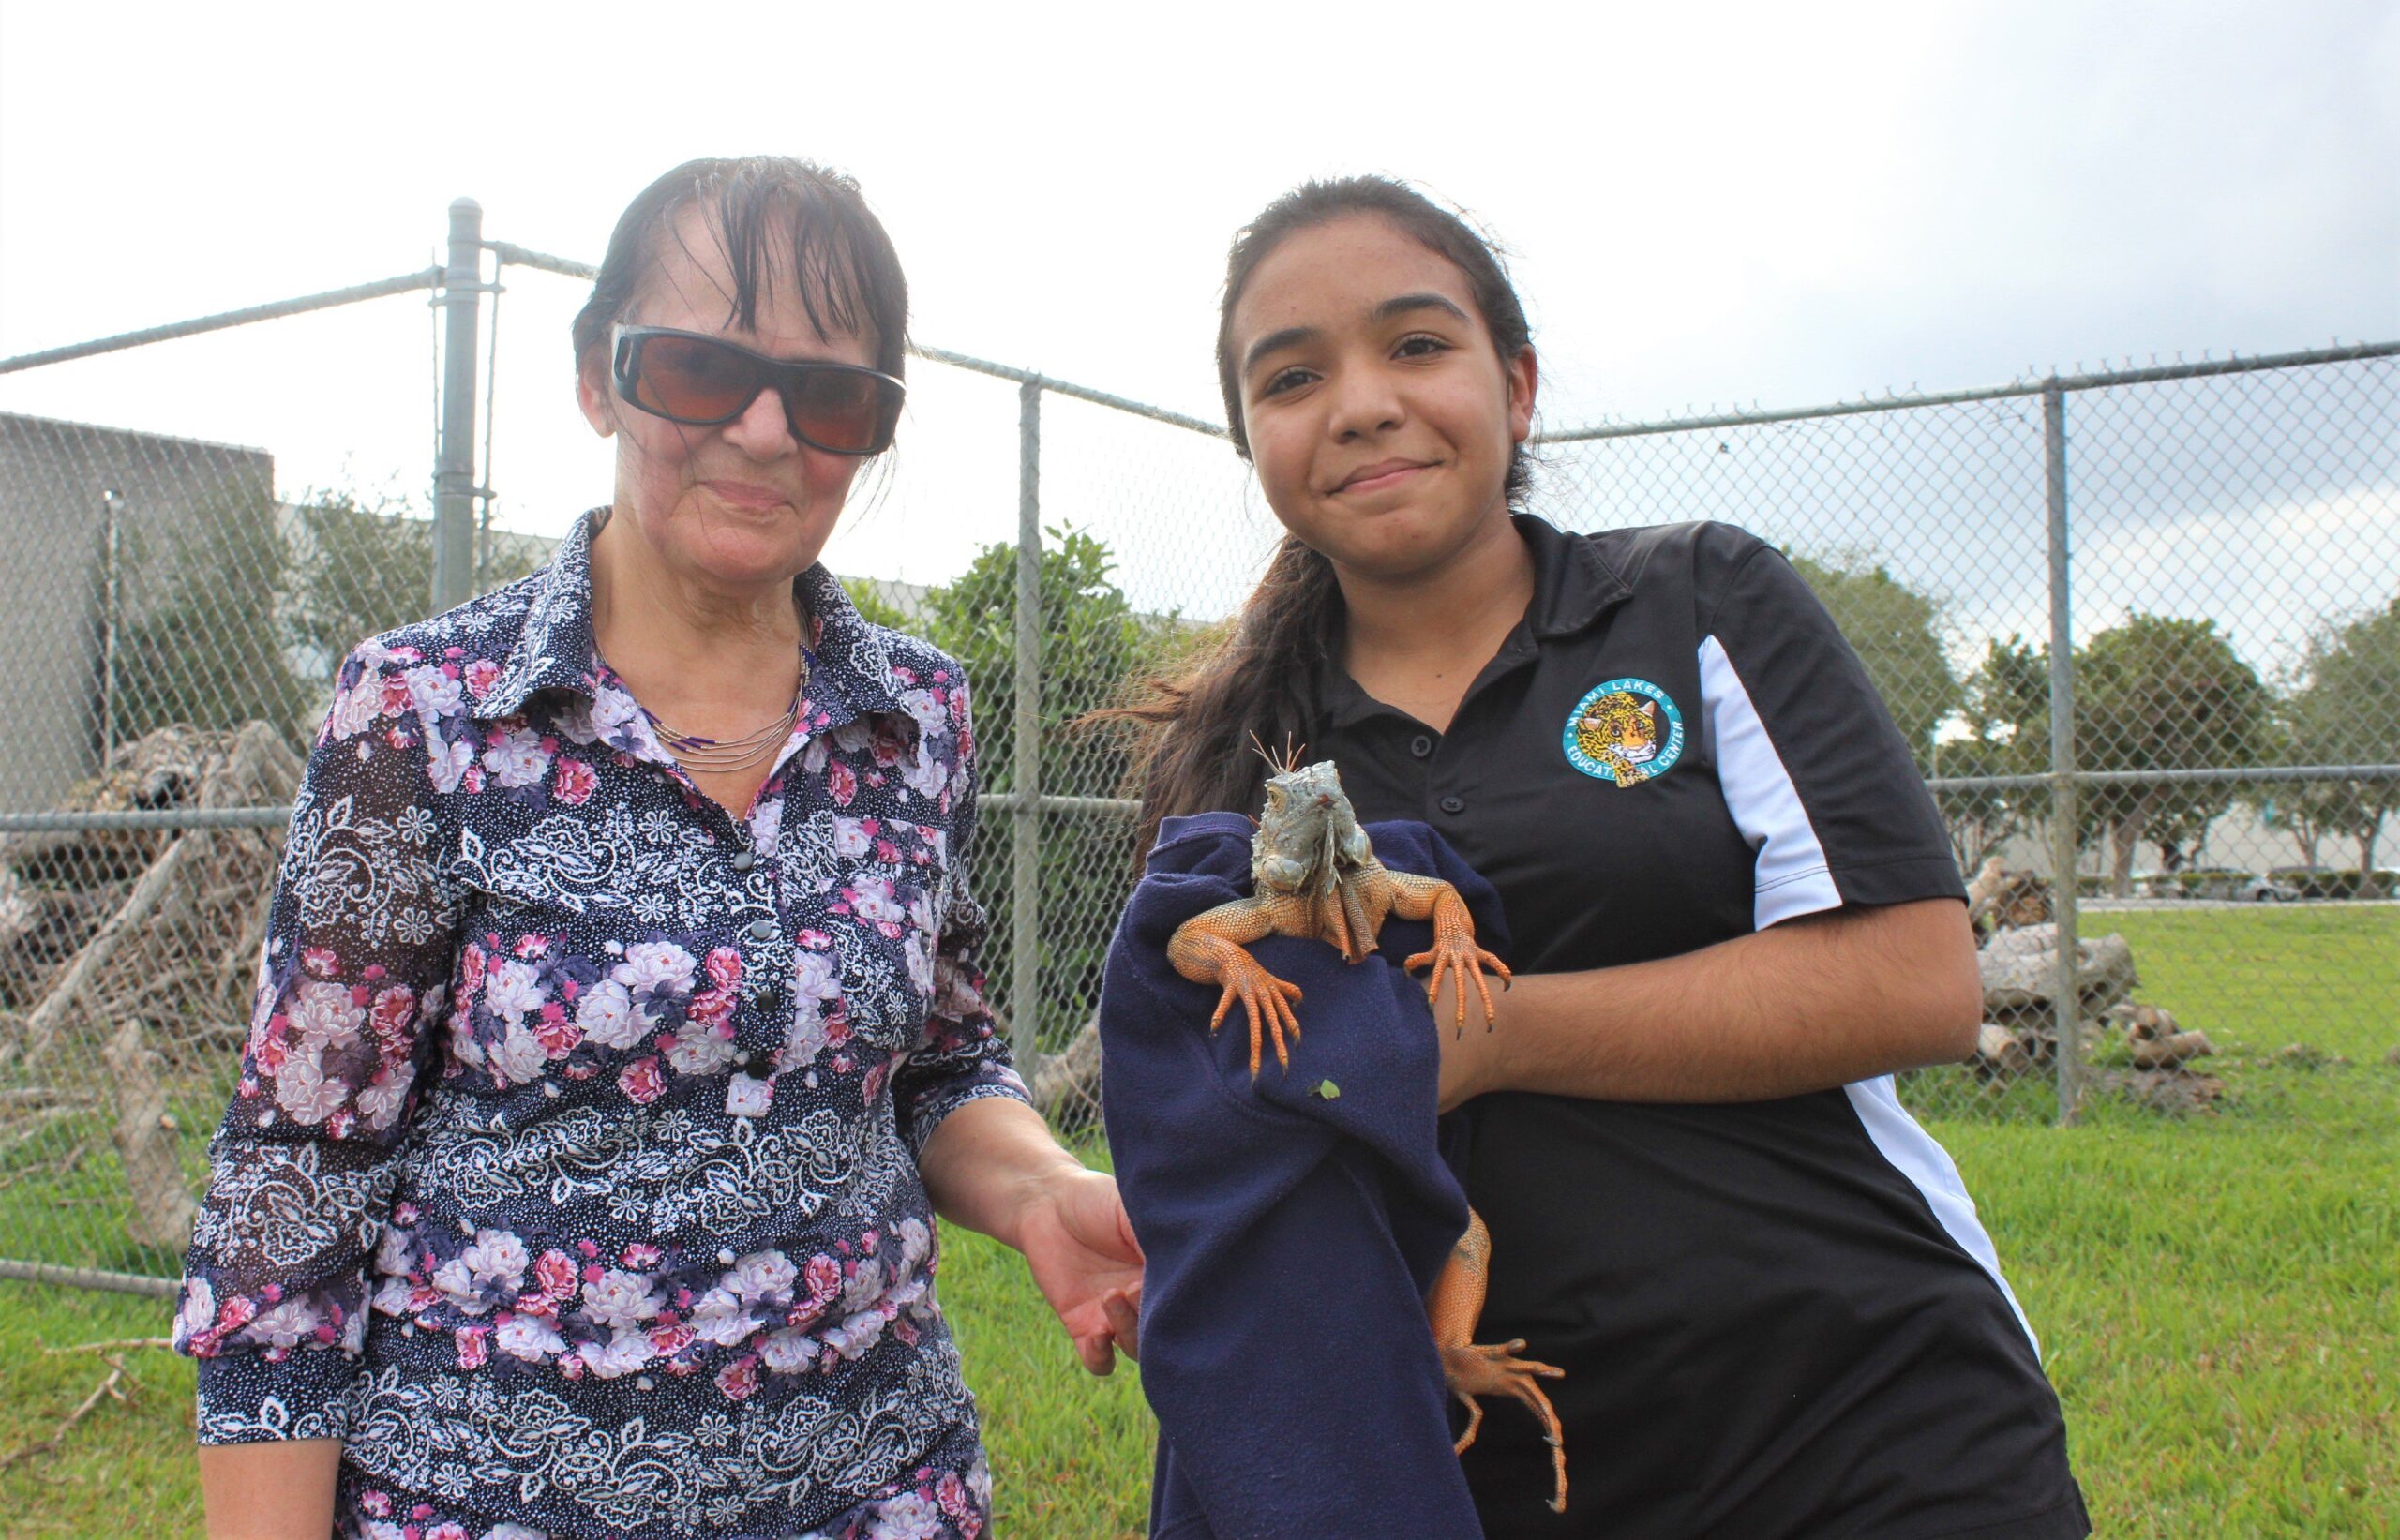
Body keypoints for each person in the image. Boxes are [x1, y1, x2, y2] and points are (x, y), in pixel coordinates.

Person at [173, 156, 1142, 1540]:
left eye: (830, 395)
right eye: (697, 367)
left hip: (877, 1496)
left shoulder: (918, 716)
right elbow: (296, 1177)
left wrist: (1046, 1191)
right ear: (597, 377)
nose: (762, 431)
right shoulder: (430, 709)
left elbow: (938, 1056)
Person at [1111, 176, 2089, 1539]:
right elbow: (1234, 1087)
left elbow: (1916, 982)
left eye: (1415, 345)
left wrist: (1490, 1033)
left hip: (1868, 1423)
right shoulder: (1254, 763)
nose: (1359, 404)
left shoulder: (1695, 601)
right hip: (1477, 1461)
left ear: (1516, 386)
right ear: (1255, 444)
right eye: (1291, 377)